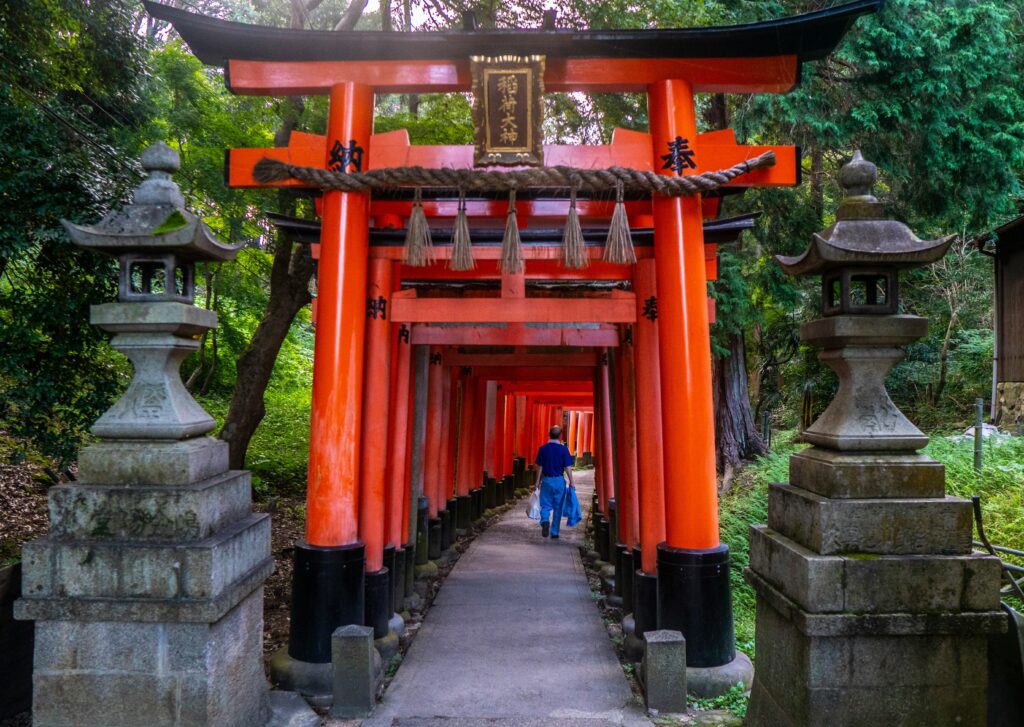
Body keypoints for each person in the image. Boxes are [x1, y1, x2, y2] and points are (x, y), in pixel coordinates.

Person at [533, 425, 574, 539]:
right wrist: (572, 482)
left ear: (548, 434)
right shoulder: (564, 449)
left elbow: (540, 467)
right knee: (558, 507)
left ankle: (545, 520)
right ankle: (555, 532)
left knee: (545, 504)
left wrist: (537, 482)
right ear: (560, 436)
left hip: (547, 480)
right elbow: (568, 468)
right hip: (559, 481)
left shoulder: (543, 449)